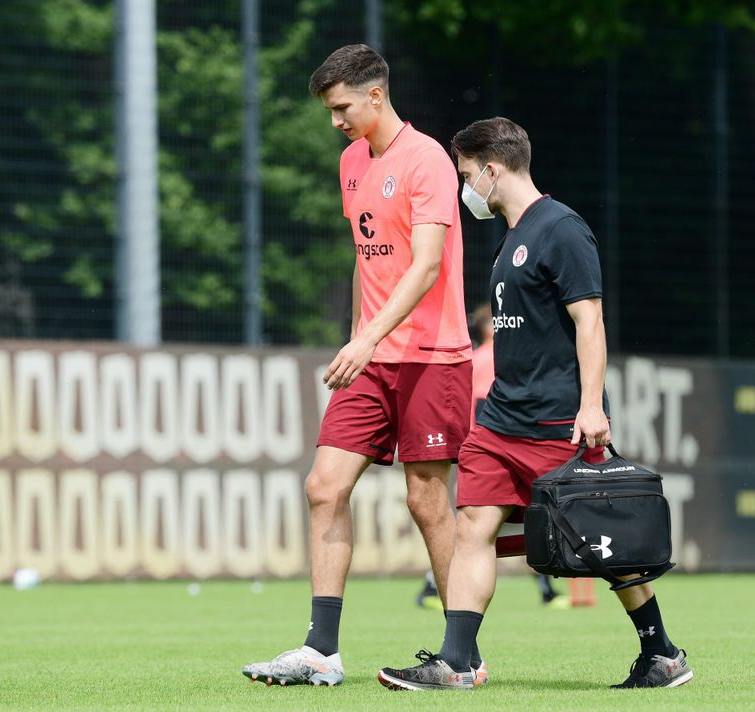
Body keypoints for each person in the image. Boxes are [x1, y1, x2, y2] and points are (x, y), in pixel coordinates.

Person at [378, 117, 693, 691]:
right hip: (500, 421)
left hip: (556, 423)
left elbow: (589, 321)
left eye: (467, 175)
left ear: (493, 170)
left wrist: (591, 405)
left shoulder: (561, 229)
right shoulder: (510, 237)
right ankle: (456, 662)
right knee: (473, 525)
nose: (465, 187)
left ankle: (661, 653)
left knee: (601, 542)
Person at [241, 44, 474, 687]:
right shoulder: (350, 162)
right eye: (329, 110)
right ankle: (321, 649)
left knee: (426, 500)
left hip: (431, 357)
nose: (336, 120)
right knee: (323, 486)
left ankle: (464, 655)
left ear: (376, 95)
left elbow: (426, 266)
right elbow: (364, 259)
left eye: (342, 107)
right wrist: (357, 339)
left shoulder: (426, 158)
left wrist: (367, 337)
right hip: (371, 358)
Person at [415, 303, 570, 611]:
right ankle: (435, 585)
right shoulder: (496, 357)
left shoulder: (475, 358)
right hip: (497, 448)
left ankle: (435, 587)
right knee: (500, 527)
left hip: (483, 450)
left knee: (480, 530)